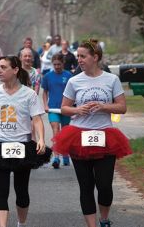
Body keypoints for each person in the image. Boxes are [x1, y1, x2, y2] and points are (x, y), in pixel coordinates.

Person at [52, 39, 132, 227]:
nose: (78, 59)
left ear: (95, 57)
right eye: (78, 56)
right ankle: (92, 225)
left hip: (105, 136)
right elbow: (64, 108)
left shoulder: (111, 79)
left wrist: (104, 106)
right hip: (79, 136)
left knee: (104, 185)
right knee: (86, 186)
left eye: (83, 56)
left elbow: (122, 108)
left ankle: (104, 219)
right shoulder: (74, 81)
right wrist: (77, 110)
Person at [0, 55, 50, 227]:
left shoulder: (29, 94)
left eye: (3, 67)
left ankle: (21, 223)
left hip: (22, 146)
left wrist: (40, 139)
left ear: (15, 70)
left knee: (21, 191)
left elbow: (37, 120)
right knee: (0, 191)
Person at [41, 53, 72, 168]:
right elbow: (45, 92)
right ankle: (56, 157)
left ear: (63, 63)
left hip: (65, 108)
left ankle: (65, 154)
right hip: (53, 108)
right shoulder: (48, 76)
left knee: (65, 132)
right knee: (56, 130)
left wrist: (73, 106)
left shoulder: (69, 75)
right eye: (55, 64)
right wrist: (45, 105)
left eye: (59, 64)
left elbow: (73, 92)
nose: (57, 66)